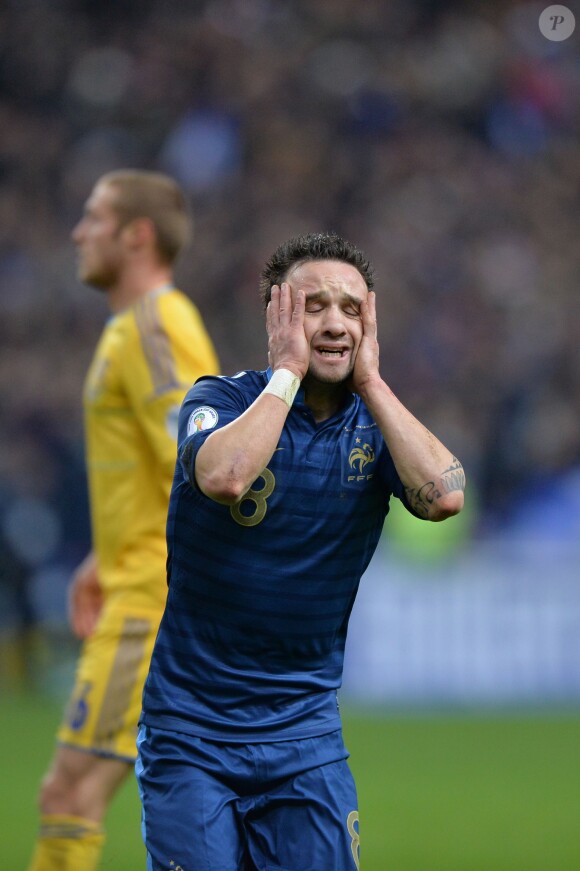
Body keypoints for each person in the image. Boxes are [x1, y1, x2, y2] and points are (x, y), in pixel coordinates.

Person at [136, 232, 465, 870]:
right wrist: (286, 372)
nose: (335, 322)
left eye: (351, 309)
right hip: (191, 733)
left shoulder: (376, 428)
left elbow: (444, 496)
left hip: (304, 737)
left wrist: (372, 382)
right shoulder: (219, 401)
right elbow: (226, 477)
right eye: (314, 306)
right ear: (277, 318)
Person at [27, 169, 219, 871]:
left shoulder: (155, 325)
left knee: (70, 791)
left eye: (93, 218)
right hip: (133, 580)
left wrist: (145, 571)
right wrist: (101, 555)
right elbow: (155, 468)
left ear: (136, 235)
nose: (78, 232)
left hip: (150, 601)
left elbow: (203, 461)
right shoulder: (133, 328)